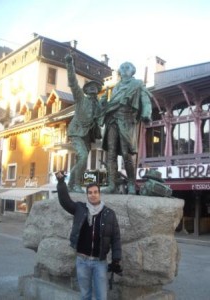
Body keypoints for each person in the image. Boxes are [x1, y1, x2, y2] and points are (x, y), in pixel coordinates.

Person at [56, 170, 122, 300]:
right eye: (90, 193)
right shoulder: (80, 208)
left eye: (95, 192)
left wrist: (116, 259)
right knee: (85, 295)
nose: (93, 195)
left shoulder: (109, 214)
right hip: (82, 261)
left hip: (100, 262)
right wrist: (61, 182)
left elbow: (116, 238)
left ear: (99, 194)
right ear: (87, 195)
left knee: (101, 297)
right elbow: (65, 201)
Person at [99, 62, 152, 194]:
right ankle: (112, 184)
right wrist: (104, 104)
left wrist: (146, 113)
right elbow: (111, 105)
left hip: (126, 121)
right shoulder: (115, 87)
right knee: (110, 154)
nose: (124, 69)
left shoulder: (137, 84)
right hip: (112, 121)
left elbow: (145, 99)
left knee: (126, 154)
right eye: (121, 67)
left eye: (127, 67)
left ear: (132, 71)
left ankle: (131, 183)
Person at [65, 54, 103, 193]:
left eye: (95, 87)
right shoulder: (81, 99)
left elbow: (102, 117)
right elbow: (73, 82)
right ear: (86, 90)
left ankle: (70, 184)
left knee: (81, 160)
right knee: (83, 156)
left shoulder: (99, 105)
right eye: (90, 87)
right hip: (76, 131)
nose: (93, 89)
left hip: (88, 136)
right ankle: (75, 184)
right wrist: (70, 64)